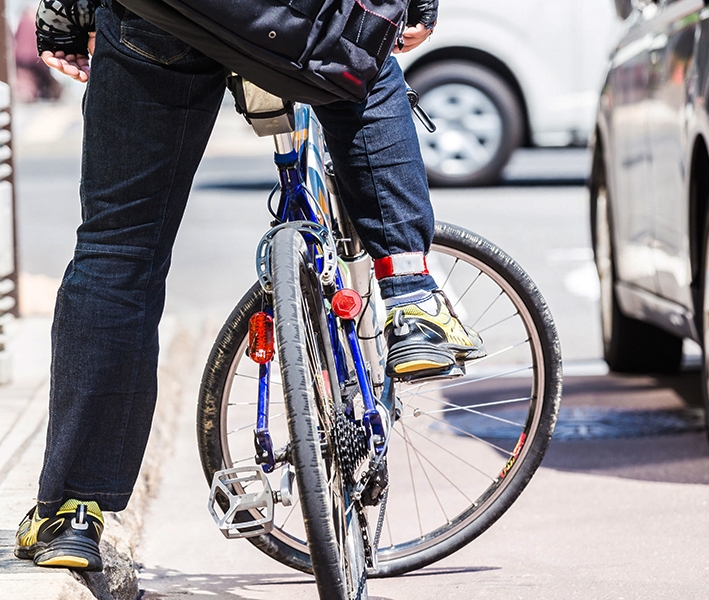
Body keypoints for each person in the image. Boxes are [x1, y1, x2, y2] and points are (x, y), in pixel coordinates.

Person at [14, 0, 484, 572]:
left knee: (119, 248)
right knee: (367, 58)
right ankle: (411, 298)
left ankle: (71, 512)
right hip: (305, 15)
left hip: (163, 16)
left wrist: (64, 15)